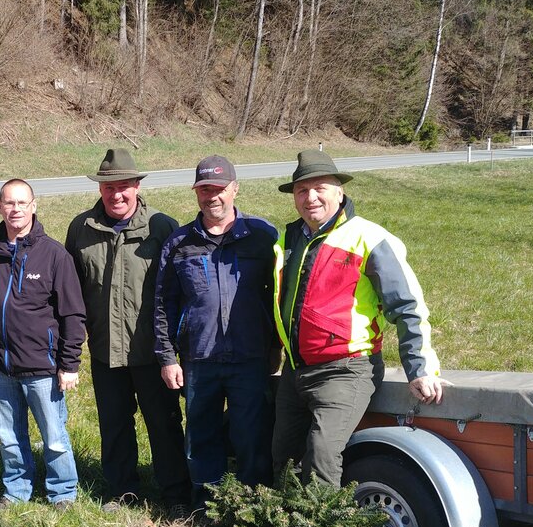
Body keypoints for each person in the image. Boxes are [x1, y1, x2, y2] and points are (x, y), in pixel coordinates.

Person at [271, 149, 443, 486]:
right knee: (284, 459)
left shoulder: (370, 238)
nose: (311, 197)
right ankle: (285, 521)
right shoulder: (289, 239)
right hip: (295, 370)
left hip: (346, 369)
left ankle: (322, 521)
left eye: (320, 188)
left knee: (321, 456)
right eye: (302, 190)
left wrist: (420, 368)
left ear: (340, 191)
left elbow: (407, 305)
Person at [65, 148, 192, 514]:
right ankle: (123, 491)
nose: (116, 195)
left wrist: (174, 349)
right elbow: (72, 290)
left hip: (152, 351)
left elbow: (178, 291)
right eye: (109, 188)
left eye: (123, 186)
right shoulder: (81, 229)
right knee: (114, 425)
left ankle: (175, 494)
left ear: (137, 186)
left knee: (164, 424)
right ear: (99, 189)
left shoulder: (162, 228)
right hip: (105, 349)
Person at [155, 156, 278, 504]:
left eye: (220, 189)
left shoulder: (262, 236)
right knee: (201, 437)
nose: (213, 197)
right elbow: (163, 302)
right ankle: (206, 507)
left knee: (251, 436)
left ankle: (252, 508)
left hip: (250, 357)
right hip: (199, 358)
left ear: (235, 189)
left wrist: (275, 348)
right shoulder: (179, 243)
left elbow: (278, 297)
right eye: (205, 189)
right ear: (196, 193)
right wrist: (167, 357)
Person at [0, 178, 86, 509]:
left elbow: (73, 313)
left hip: (42, 366)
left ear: (33, 206)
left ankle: (62, 491)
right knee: (8, 435)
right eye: (9, 202)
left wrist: (69, 364)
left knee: (54, 436)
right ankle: (17, 490)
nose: (15, 209)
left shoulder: (54, 255)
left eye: (22, 202)